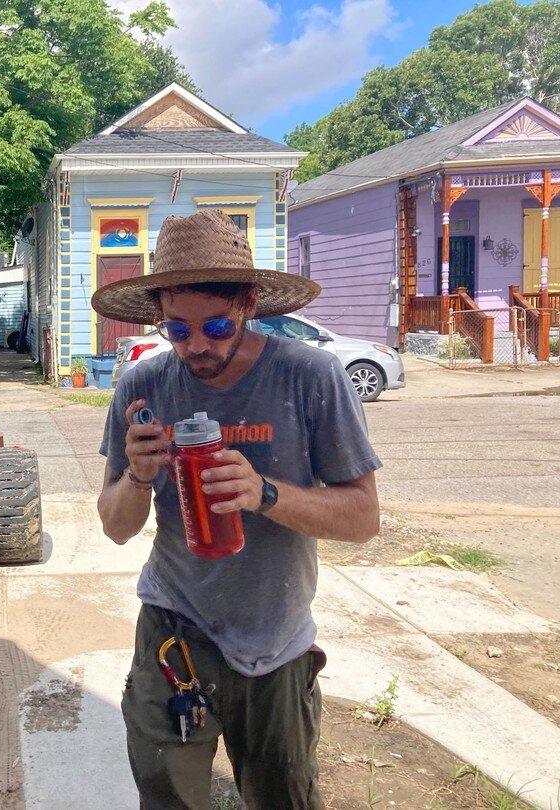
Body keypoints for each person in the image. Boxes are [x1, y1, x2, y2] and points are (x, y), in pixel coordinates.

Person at [92, 210, 381, 810]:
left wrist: (265, 494)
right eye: (177, 329)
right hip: (173, 634)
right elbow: (116, 527)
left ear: (249, 304)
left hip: (274, 641)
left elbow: (363, 518)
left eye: (217, 325)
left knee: (283, 798)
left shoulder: (312, 376)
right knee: (168, 797)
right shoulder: (141, 387)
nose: (197, 346)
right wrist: (140, 475)